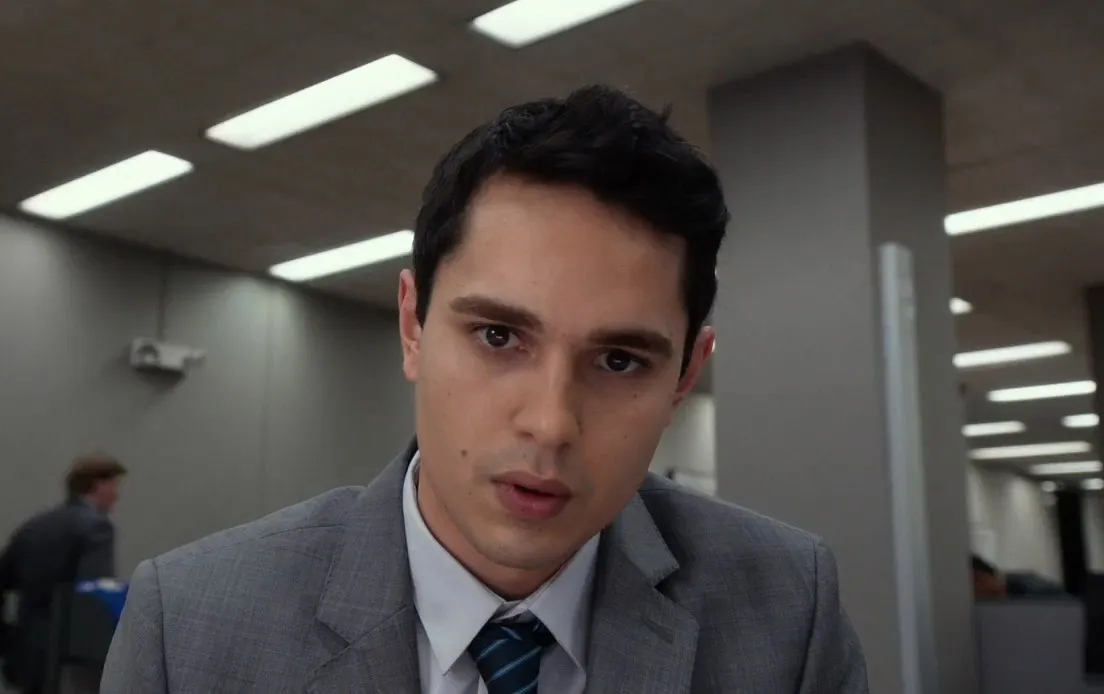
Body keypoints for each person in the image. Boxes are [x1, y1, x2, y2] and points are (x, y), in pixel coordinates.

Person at [102, 85, 868, 693]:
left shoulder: (786, 612)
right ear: (413, 325)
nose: (550, 423)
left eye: (620, 360)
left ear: (685, 377)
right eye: (499, 336)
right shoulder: (192, 628)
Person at [0, 453, 125, 693]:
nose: (117, 495)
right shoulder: (97, 527)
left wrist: (5, 644)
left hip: (28, 658)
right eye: (114, 486)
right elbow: (93, 597)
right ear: (98, 485)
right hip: (71, 665)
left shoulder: (35, 526)